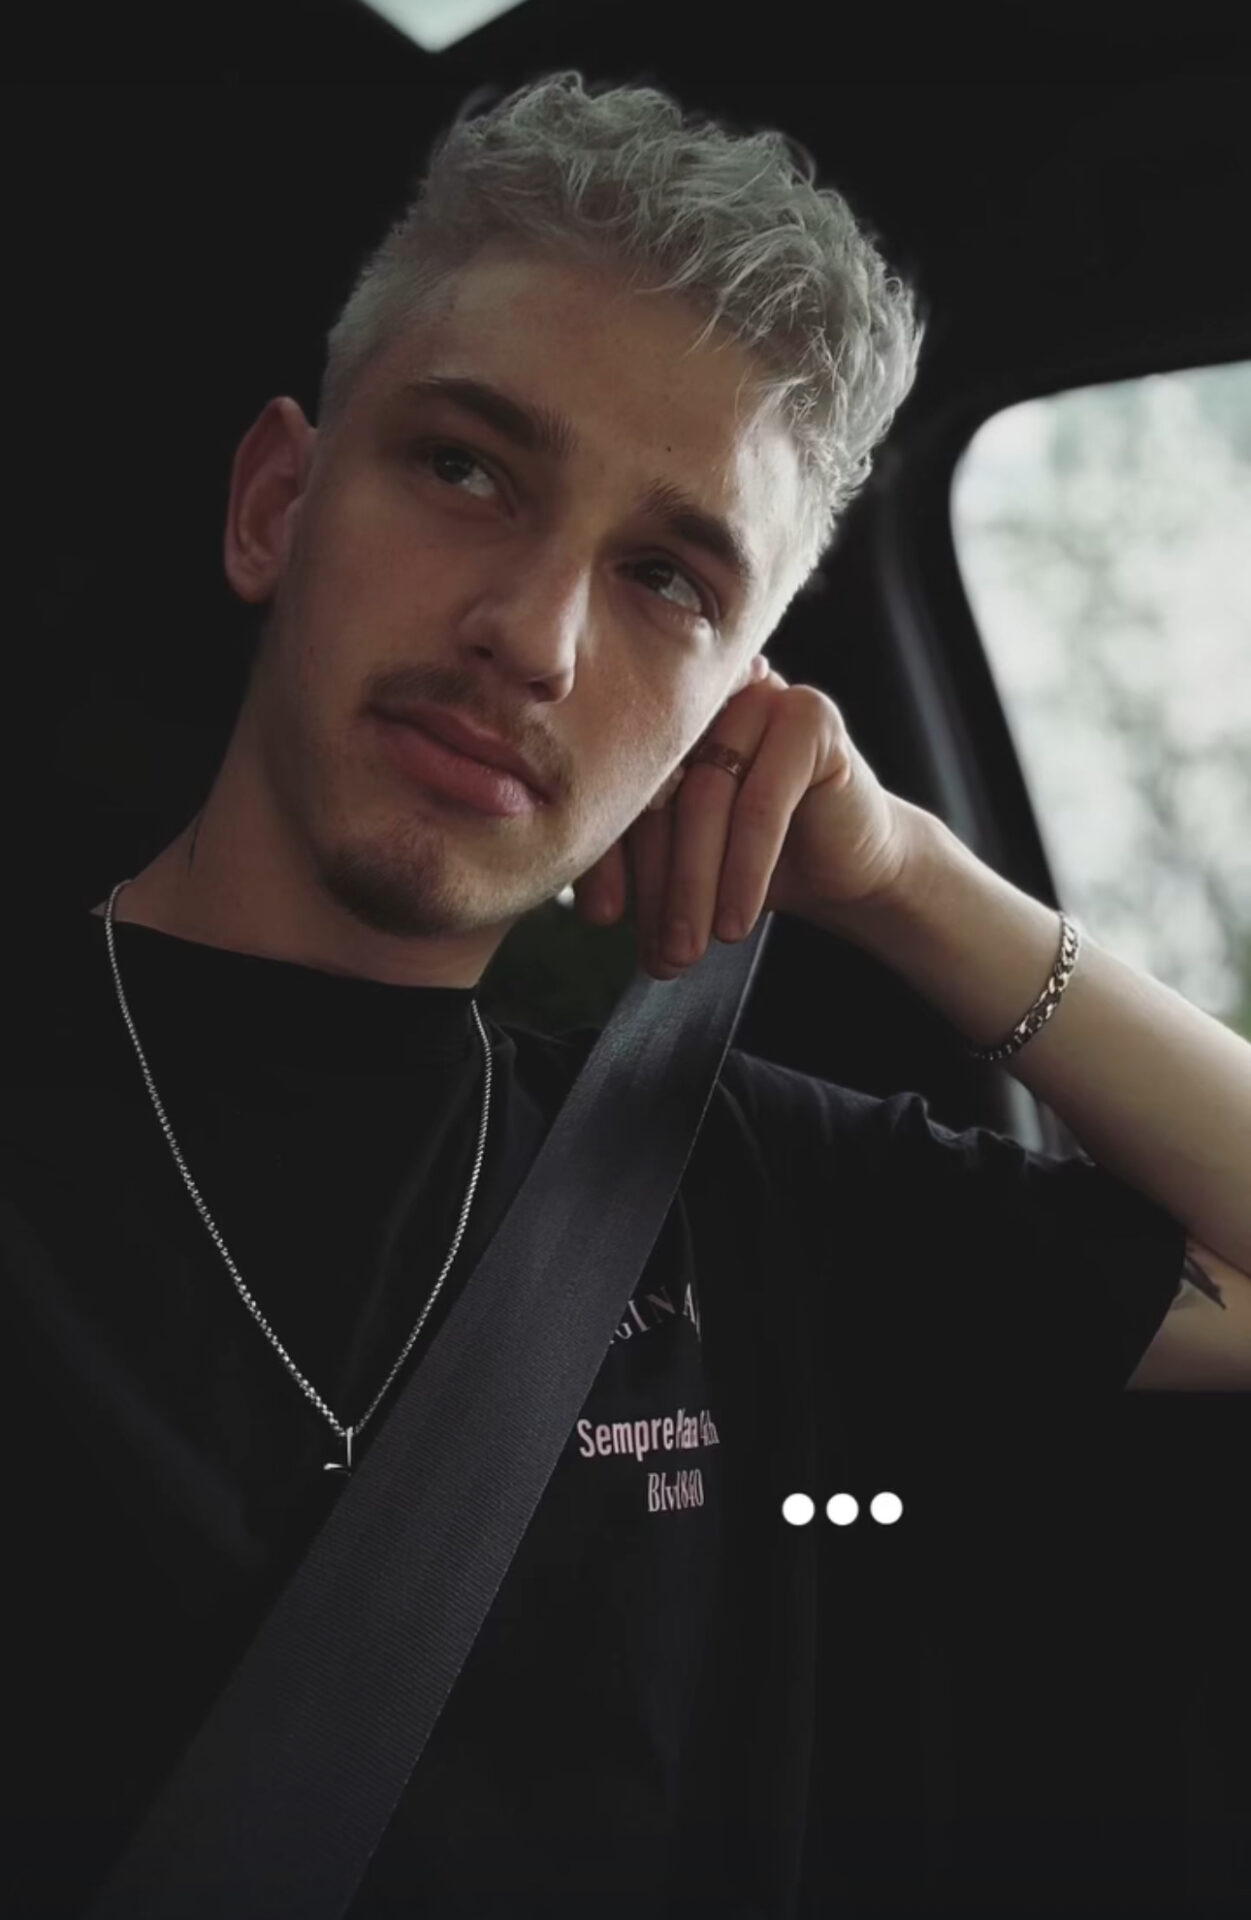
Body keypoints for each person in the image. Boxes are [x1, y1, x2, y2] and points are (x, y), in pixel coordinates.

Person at [5, 68, 1251, 1920]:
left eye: (668, 578)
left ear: (730, 710)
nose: (535, 635)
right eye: (464, 468)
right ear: (276, 504)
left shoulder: (730, 1190)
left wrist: (910, 882)